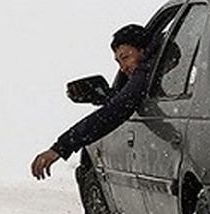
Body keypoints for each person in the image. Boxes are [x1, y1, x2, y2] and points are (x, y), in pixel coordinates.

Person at [30, 23, 152, 180]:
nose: (123, 68)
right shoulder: (163, 68)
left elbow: (116, 110)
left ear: (143, 50)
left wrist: (60, 148)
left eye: (125, 58)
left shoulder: (145, 73)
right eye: (119, 62)